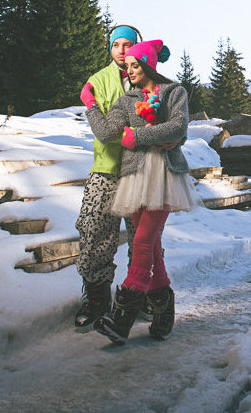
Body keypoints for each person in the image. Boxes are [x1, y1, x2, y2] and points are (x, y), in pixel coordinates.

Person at [85, 39, 198, 343]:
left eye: (136, 64)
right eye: (128, 65)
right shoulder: (126, 100)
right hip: (134, 175)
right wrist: (92, 105)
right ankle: (163, 305)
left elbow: (177, 128)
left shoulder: (174, 91)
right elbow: (109, 133)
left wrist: (136, 136)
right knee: (145, 243)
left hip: (164, 175)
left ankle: (122, 317)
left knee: (145, 239)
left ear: (149, 64)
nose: (130, 69)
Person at [73, 25, 141, 329]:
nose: (123, 50)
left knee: (143, 238)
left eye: (128, 44)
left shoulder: (149, 79)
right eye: (117, 45)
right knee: (95, 231)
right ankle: (97, 298)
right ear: (110, 49)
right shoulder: (98, 81)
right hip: (106, 169)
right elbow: (103, 130)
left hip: (141, 170)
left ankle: (139, 297)